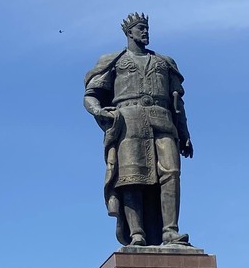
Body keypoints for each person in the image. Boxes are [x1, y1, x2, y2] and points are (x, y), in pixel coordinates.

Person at [83, 13, 194, 247]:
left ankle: (170, 231)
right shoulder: (114, 61)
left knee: (172, 173)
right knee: (131, 178)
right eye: (140, 28)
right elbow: (91, 95)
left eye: (146, 28)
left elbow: (178, 103)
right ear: (129, 32)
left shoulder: (165, 62)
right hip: (128, 121)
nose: (145, 32)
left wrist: (184, 133)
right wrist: (99, 111)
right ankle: (137, 233)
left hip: (163, 120)